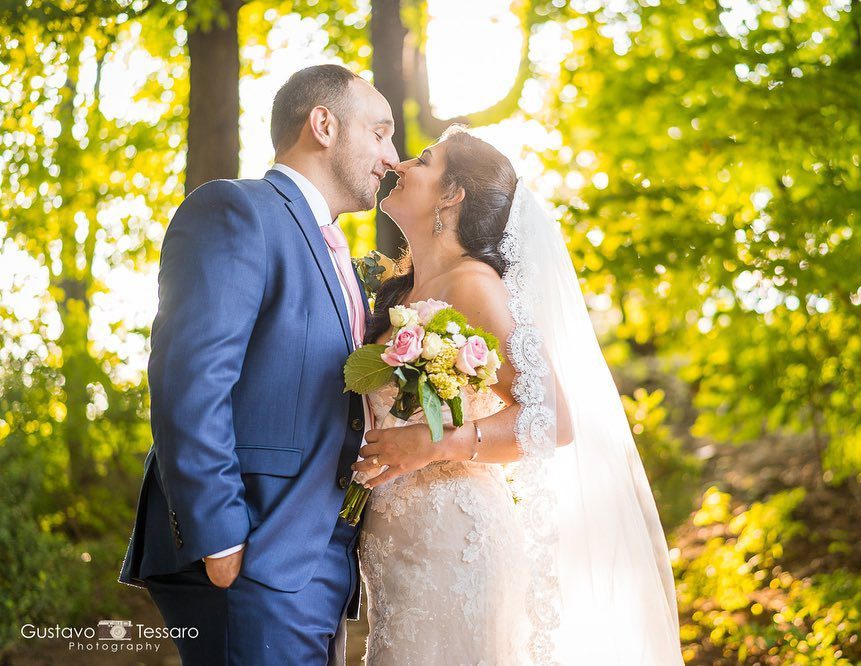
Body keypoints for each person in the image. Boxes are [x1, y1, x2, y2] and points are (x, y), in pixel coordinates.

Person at [354, 126, 685, 665]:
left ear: (452, 193)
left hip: (455, 542)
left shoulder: (473, 284)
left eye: (425, 160)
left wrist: (434, 443)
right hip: (396, 542)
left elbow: (553, 419)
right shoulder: (405, 291)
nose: (402, 165)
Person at [118, 64, 398, 665]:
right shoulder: (236, 210)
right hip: (251, 551)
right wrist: (219, 538)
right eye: (379, 132)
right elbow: (190, 381)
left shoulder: (340, 255)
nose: (392, 156)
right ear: (323, 124)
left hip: (315, 557)